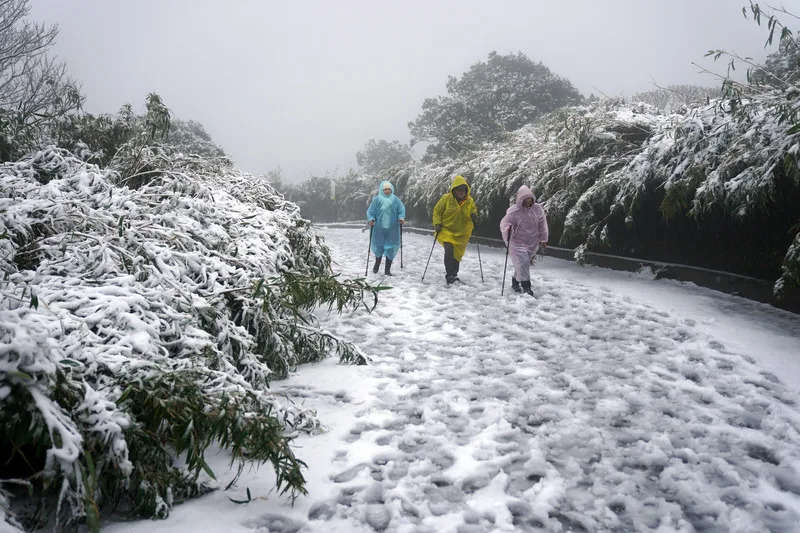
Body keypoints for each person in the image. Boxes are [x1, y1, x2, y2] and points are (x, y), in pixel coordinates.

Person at [499, 185, 549, 296]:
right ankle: (527, 287)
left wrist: (544, 238)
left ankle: (515, 281)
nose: (528, 202)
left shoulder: (537, 209)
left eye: (530, 200)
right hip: (516, 242)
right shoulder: (514, 211)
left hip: (532, 241)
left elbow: (542, 224)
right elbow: (505, 223)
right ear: (520, 200)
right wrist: (507, 229)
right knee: (523, 263)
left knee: (522, 264)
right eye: (525, 200)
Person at [432, 175, 478, 285]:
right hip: (446, 230)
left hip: (462, 232)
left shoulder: (469, 201)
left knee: (457, 254)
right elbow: (437, 211)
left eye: (463, 190)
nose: (461, 192)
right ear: (454, 190)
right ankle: (449, 275)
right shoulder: (446, 198)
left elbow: (473, 211)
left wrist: (474, 216)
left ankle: (454, 274)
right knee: (449, 251)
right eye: (458, 190)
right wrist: (437, 223)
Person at [367, 180, 406, 276]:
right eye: (385, 189)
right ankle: (377, 264)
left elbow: (401, 210)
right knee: (378, 247)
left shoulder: (395, 200)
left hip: (392, 229)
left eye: (389, 189)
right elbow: (371, 212)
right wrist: (371, 219)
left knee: (391, 248)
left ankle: (387, 270)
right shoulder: (377, 199)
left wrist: (401, 218)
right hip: (378, 229)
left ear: (392, 189)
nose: (387, 191)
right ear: (382, 190)